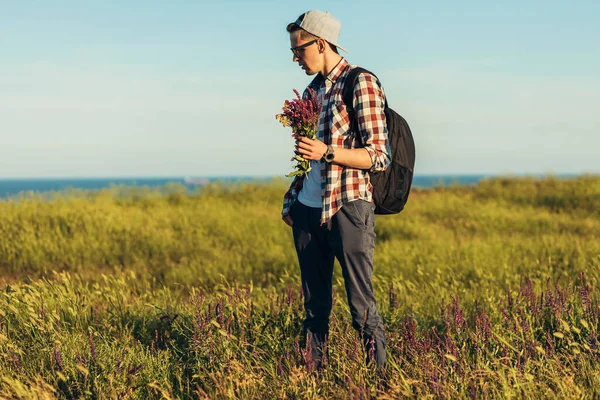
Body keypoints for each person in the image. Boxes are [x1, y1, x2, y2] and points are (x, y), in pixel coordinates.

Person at [281, 10, 391, 370]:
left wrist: (328, 152)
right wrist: (293, 201)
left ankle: (381, 383)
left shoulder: (360, 83)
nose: (296, 57)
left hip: (348, 207)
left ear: (322, 43)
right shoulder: (311, 91)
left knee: (361, 309)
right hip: (308, 211)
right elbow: (306, 156)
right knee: (314, 311)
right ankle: (313, 382)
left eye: (300, 50)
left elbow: (378, 156)